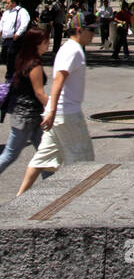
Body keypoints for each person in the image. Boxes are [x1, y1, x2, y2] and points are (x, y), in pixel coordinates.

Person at [17, 11, 96, 195]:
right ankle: (77, 200)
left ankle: (20, 196)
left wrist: (52, 110)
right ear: (78, 29)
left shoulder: (70, 48)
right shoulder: (73, 50)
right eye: (90, 30)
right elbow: (59, 79)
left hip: (59, 112)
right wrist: (52, 110)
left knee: (42, 158)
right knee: (83, 161)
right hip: (67, 114)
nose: (93, 34)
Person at [0, 23, 50, 177]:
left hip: (30, 115)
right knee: (10, 154)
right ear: (37, 44)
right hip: (26, 117)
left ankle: (51, 186)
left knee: (44, 153)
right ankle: (51, 184)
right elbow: (39, 93)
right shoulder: (34, 65)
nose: (48, 44)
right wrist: (55, 108)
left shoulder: (24, 59)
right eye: (46, 41)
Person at [0, 0, 30, 81]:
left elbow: (25, 23)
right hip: (6, 38)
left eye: (8, 3)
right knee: (4, 56)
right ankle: (12, 73)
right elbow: (2, 22)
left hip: (15, 38)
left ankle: (11, 76)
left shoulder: (21, 11)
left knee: (11, 55)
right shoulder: (6, 13)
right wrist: (1, 30)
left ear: (14, 3)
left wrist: (18, 33)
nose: (6, 5)